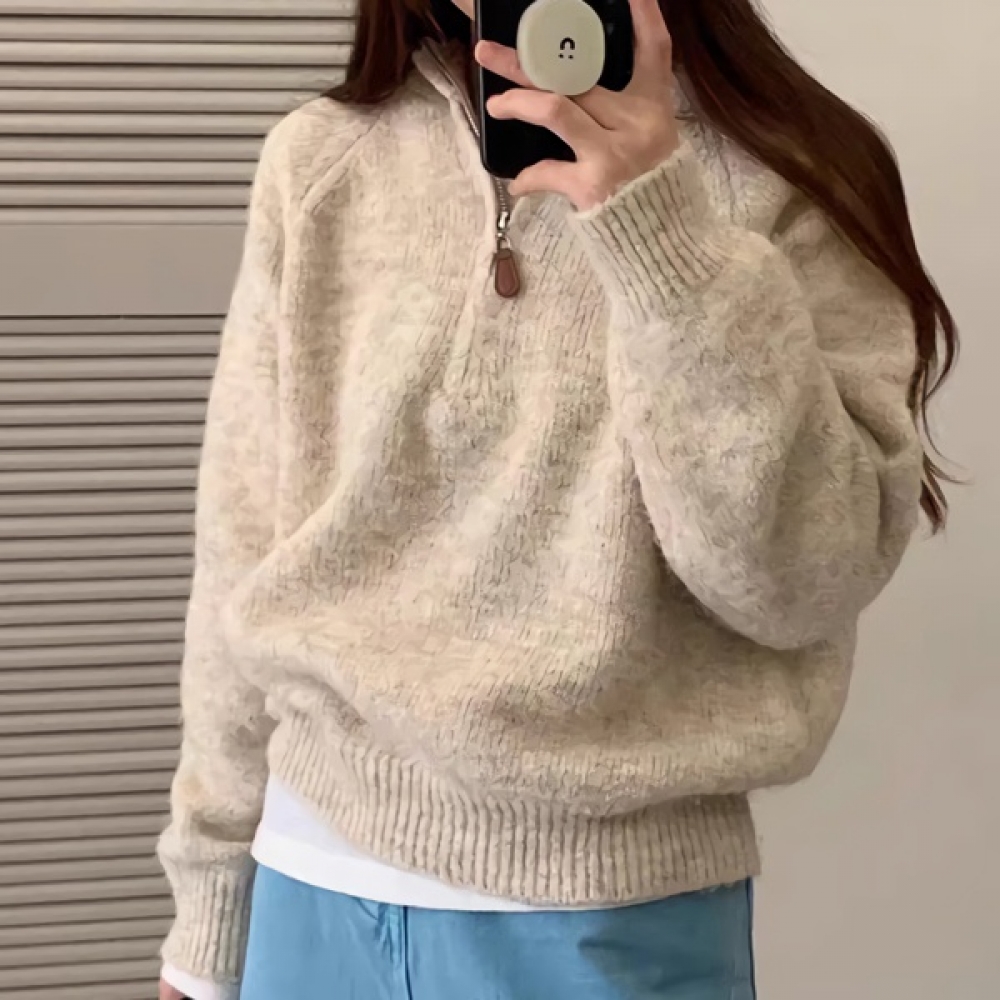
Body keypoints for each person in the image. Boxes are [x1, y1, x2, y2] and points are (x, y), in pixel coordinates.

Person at [157, 0, 957, 997]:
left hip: (605, 920)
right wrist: (207, 914)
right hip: (306, 892)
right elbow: (241, 547)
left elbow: (799, 579)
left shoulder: (793, 176)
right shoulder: (321, 159)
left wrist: (661, 231)